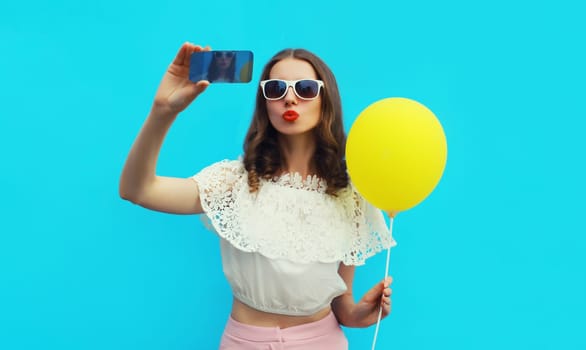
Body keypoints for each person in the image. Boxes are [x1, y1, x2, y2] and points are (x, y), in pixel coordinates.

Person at [119, 42, 396, 349]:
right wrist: (163, 111)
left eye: (305, 88)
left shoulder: (349, 194)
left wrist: (360, 314)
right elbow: (137, 189)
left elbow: (342, 305)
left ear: (325, 99)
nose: (289, 98)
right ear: (265, 102)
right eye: (276, 89)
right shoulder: (232, 181)